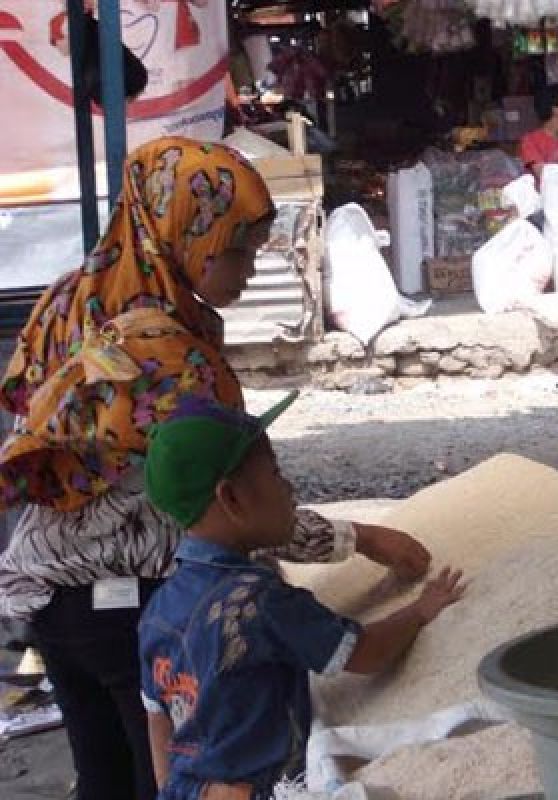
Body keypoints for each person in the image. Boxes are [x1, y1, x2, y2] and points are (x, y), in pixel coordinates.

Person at [0, 138, 432, 800]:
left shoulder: (74, 296)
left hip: (48, 592)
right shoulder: (170, 353)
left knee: (104, 778)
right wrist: (365, 539)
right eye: (237, 251)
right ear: (180, 234)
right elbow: (231, 506)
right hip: (129, 601)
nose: (249, 272)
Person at [139, 393, 466, 798]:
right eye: (276, 474)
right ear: (232, 499)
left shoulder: (158, 607)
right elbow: (364, 653)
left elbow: (157, 716)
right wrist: (420, 609)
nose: (289, 488)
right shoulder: (261, 602)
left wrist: (169, 787)